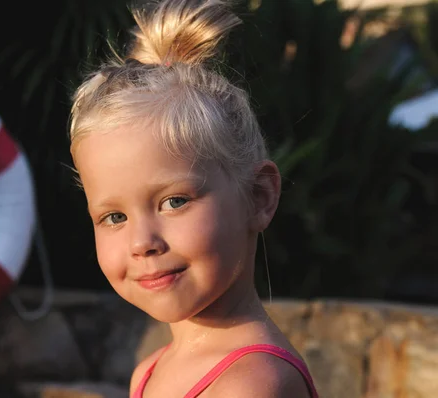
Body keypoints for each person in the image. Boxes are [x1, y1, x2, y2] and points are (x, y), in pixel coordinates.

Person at [68, 0, 319, 396]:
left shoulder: (250, 386)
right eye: (115, 217)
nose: (142, 243)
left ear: (259, 197)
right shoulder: (149, 371)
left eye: (174, 202)